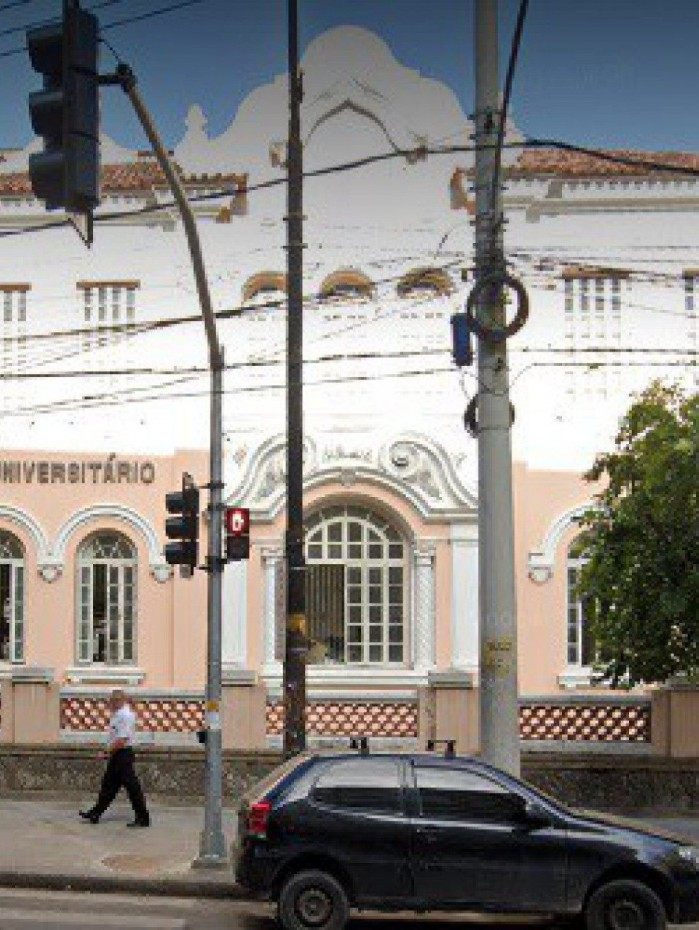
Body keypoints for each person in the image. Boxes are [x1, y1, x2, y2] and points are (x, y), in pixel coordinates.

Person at [79, 689, 150, 827]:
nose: (109, 704)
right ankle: (95, 813)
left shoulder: (125, 715)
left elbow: (122, 740)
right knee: (109, 785)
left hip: (122, 754)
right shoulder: (119, 714)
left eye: (111, 701)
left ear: (118, 701)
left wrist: (106, 752)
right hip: (118, 754)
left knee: (132, 788)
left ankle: (143, 818)